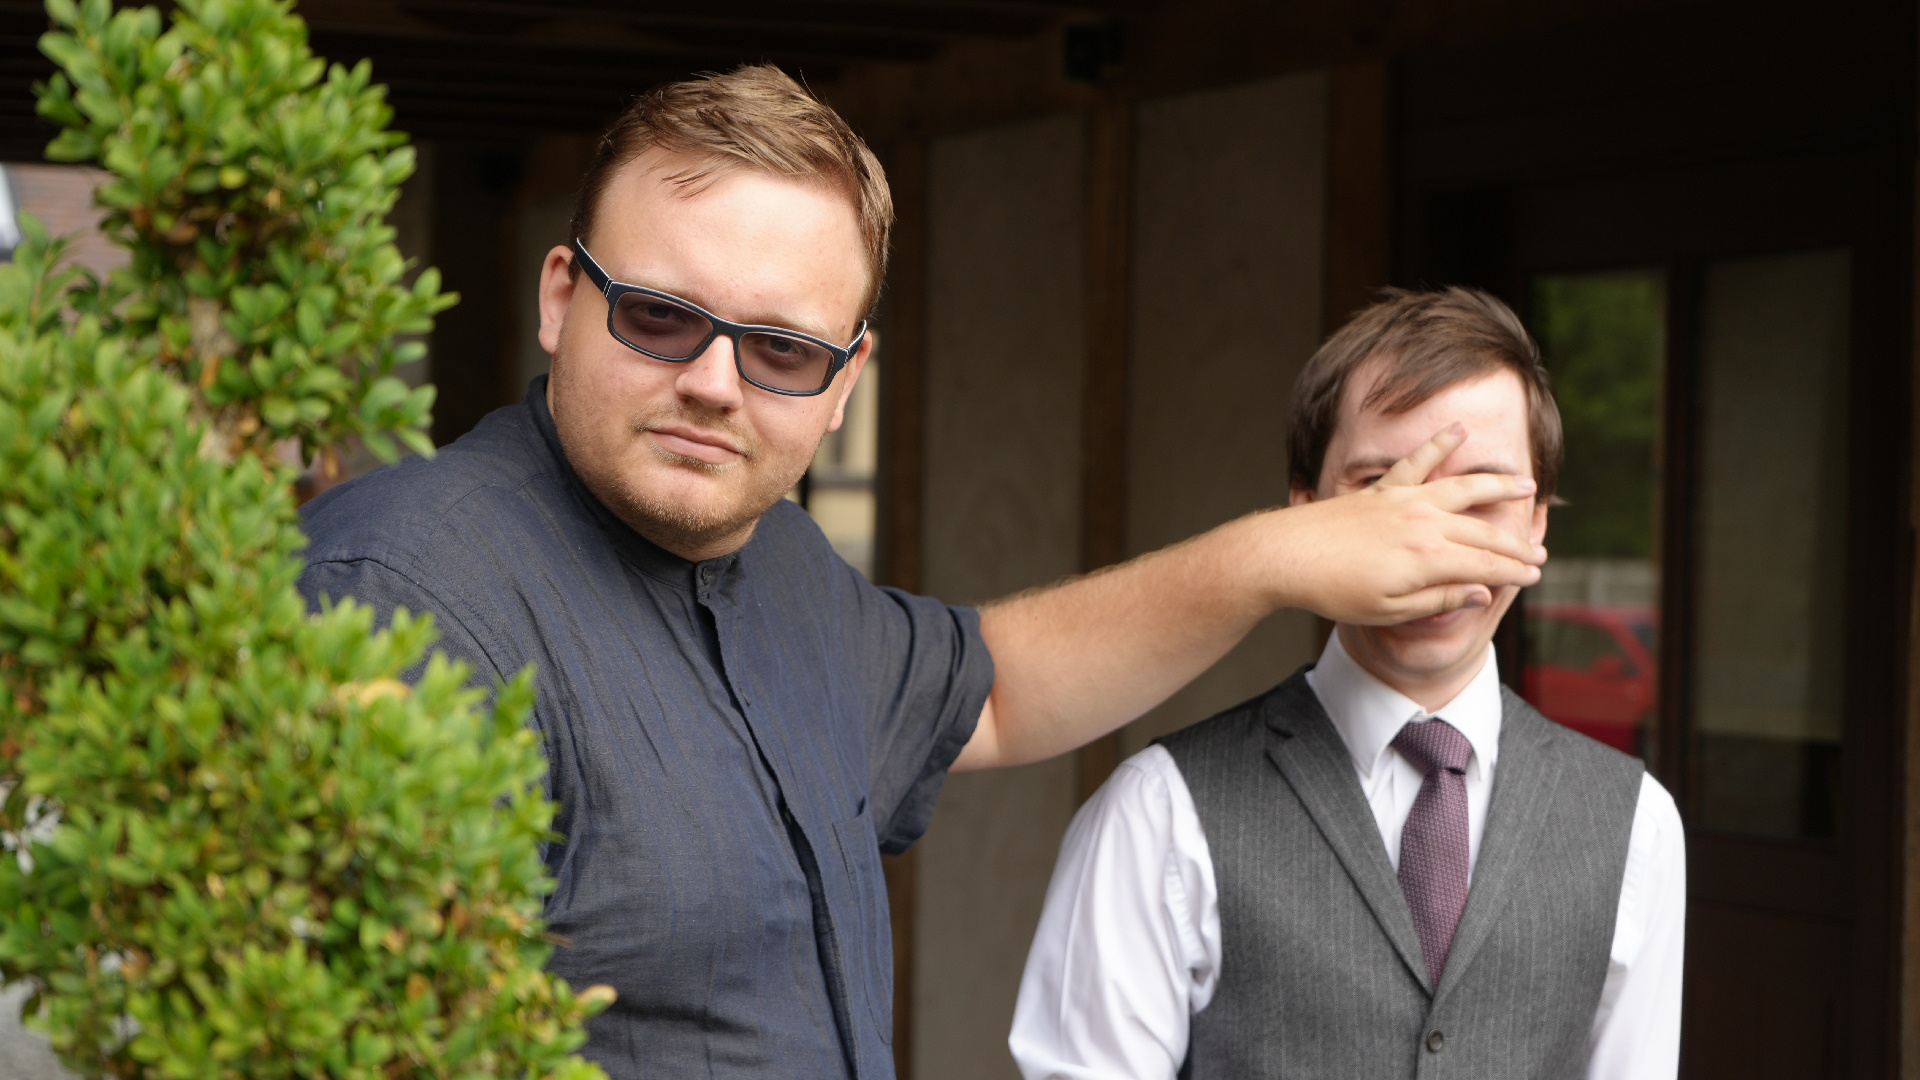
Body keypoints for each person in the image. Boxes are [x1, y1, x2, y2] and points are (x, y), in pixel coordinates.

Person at [297, 68, 1546, 1080]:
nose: (715, 382)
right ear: (562, 297)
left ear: (845, 382)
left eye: (783, 348)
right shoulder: (405, 596)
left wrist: (1271, 560)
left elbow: (995, 694)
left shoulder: (774, 561)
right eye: (662, 315)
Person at [1010, 288, 1685, 1080]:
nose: (1433, 544)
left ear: (1538, 521)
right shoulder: (1157, 813)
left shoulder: (1638, 825)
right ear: (1303, 518)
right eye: (1382, 491)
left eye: (1485, 497)